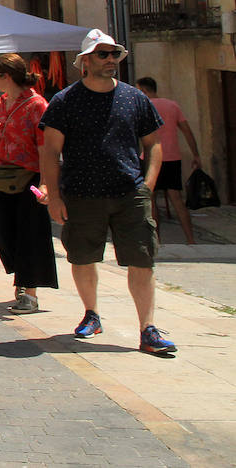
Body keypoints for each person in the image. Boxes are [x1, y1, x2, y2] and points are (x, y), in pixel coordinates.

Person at [39, 30, 176, 356]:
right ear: (85, 61)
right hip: (82, 195)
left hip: (130, 194)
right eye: (103, 54)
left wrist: (148, 186)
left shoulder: (134, 98)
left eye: (114, 53)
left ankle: (148, 329)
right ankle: (91, 314)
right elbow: (49, 152)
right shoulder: (65, 101)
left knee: (142, 260)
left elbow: (154, 144)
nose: (111, 60)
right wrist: (54, 196)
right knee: (83, 257)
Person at [0, 54, 57, 313]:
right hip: (3, 175)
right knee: (3, 233)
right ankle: (22, 278)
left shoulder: (37, 105)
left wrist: (47, 185)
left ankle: (29, 292)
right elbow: (4, 141)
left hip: (29, 178)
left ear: (7, 76)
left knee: (29, 235)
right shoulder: (3, 103)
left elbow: (45, 149)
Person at [136, 77, 203, 245]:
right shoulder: (172, 105)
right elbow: (187, 131)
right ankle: (190, 239)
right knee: (177, 200)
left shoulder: (143, 106)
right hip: (172, 157)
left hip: (151, 158)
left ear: (144, 90)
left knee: (151, 200)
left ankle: (156, 241)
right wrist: (196, 154)